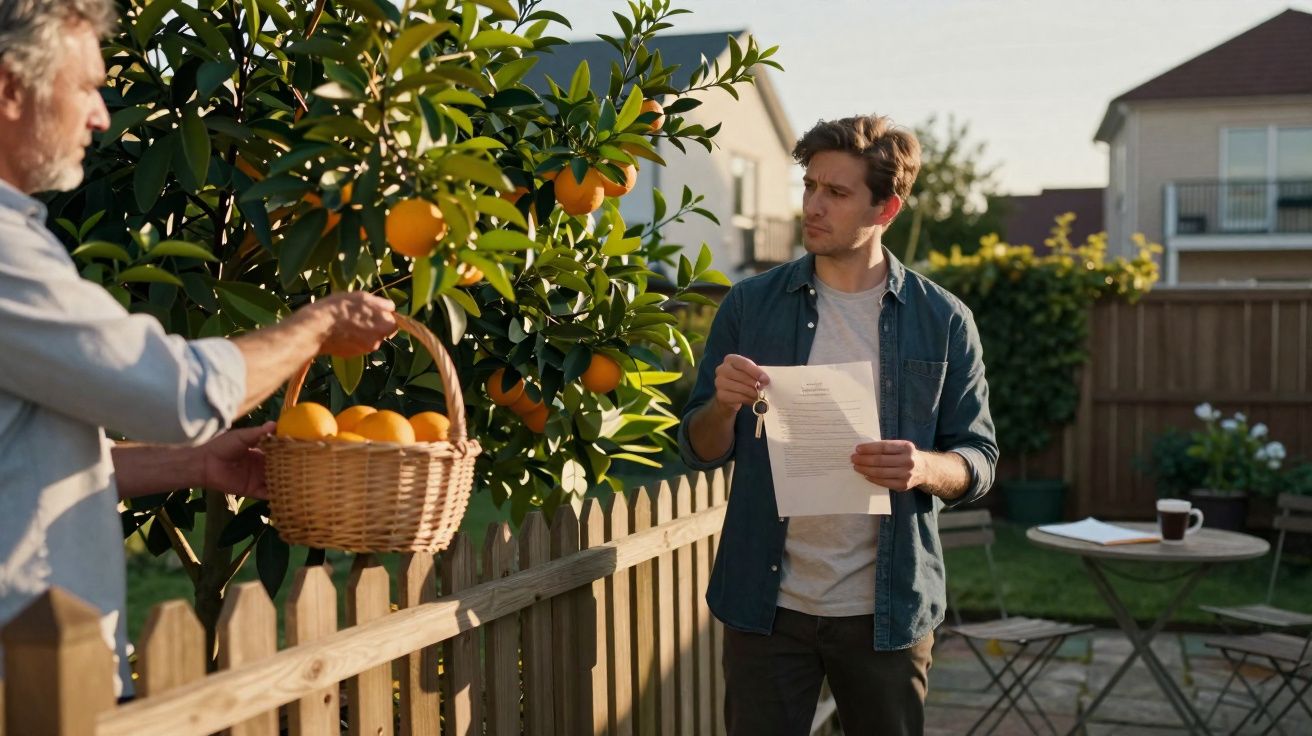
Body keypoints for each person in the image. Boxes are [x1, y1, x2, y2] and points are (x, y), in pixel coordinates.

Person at [0, 0, 398, 694]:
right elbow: (176, 393)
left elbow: (19, 460)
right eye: (88, 86)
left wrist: (193, 463)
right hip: (33, 689)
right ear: (10, 89)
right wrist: (316, 326)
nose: (101, 115)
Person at [678, 114, 998, 735]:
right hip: (766, 606)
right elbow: (700, 449)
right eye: (810, 187)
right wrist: (720, 407)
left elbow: (979, 459)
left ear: (887, 208)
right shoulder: (749, 306)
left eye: (837, 193)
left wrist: (924, 467)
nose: (813, 207)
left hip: (886, 611)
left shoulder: (944, 321)